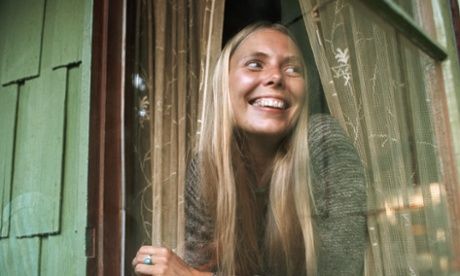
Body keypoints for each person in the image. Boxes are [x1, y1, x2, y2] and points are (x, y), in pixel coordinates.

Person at [132, 22, 367, 276]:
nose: (276, 77)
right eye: (255, 64)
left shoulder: (324, 145)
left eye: (292, 68)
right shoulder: (206, 170)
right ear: (224, 83)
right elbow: (200, 267)